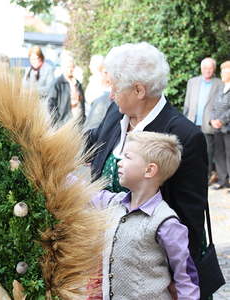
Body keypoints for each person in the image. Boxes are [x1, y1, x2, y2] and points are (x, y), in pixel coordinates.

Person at [85, 42, 208, 262]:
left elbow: (189, 221)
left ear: (139, 90)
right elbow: (94, 139)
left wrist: (179, 280)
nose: (110, 95)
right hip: (104, 259)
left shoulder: (184, 136)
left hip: (150, 270)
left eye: (115, 87)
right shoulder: (116, 111)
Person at [90, 131, 200, 300]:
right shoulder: (114, 203)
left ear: (149, 170)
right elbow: (82, 192)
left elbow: (185, 276)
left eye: (127, 157)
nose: (119, 163)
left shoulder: (165, 222)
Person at [183, 57, 223, 184]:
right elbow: (187, 104)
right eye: (205, 68)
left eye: (210, 68)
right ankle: (191, 174)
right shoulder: (192, 82)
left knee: (208, 152)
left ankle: (205, 176)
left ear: (214, 69)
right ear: (201, 69)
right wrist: (184, 120)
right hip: (192, 122)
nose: (207, 70)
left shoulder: (220, 83)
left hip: (209, 123)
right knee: (191, 150)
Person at [209, 61, 230, 190]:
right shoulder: (221, 87)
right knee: (219, 154)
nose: (221, 73)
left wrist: (222, 120)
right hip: (217, 128)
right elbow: (214, 106)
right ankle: (223, 180)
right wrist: (212, 120)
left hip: (227, 128)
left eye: (224, 71)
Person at [48, 55, 85, 126]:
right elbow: (51, 104)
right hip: (63, 123)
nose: (71, 69)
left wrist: (83, 118)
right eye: (68, 67)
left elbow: (82, 102)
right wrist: (57, 121)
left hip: (77, 123)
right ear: (63, 67)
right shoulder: (57, 83)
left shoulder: (77, 83)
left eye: (72, 67)